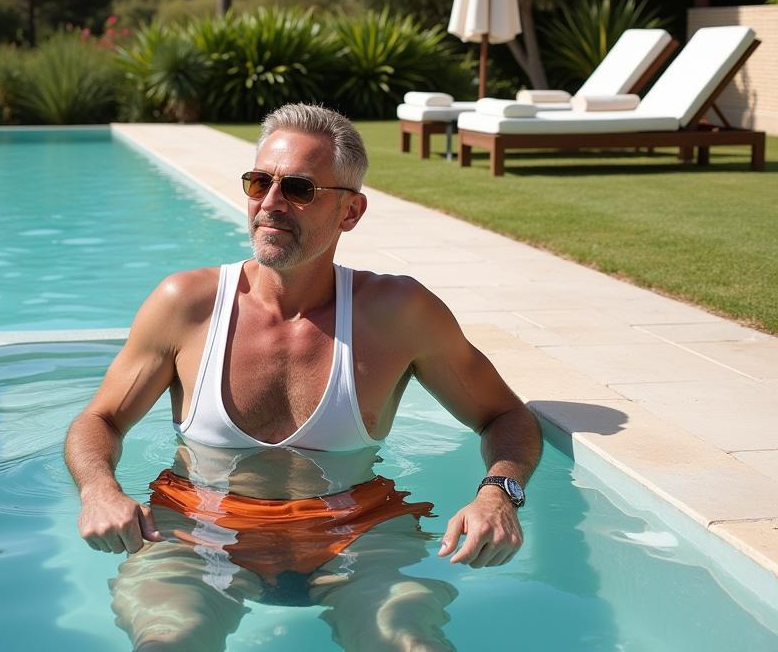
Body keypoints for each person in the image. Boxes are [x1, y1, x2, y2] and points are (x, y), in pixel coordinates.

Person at [65, 103, 542, 651]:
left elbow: (505, 416)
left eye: (298, 188)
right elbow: (99, 418)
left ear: (351, 212)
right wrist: (99, 490)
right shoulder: (187, 305)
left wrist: (498, 495)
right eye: (258, 182)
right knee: (170, 642)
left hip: (357, 532)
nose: (270, 204)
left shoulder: (398, 314)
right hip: (199, 529)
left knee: (410, 644)